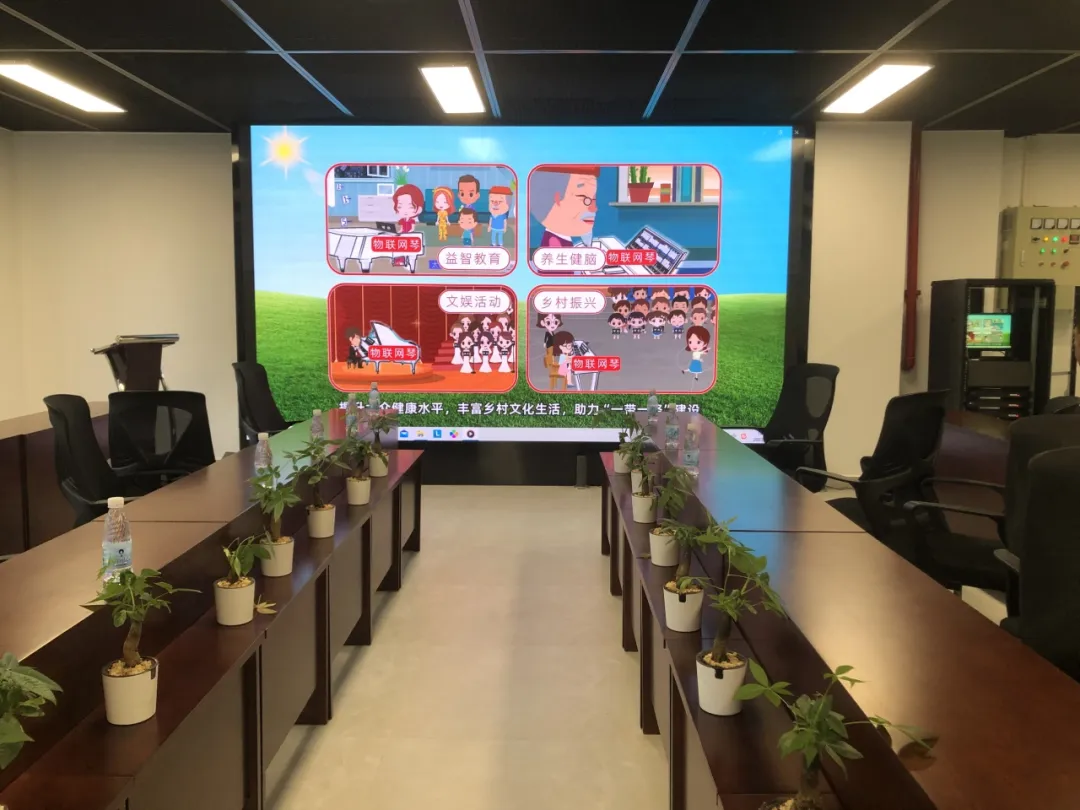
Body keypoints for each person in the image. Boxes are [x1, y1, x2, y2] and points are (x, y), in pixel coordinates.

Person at [529, 165, 600, 248]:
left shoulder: (563, 240)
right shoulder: (554, 244)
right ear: (557, 199)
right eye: (583, 197)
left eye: (593, 199)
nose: (593, 208)